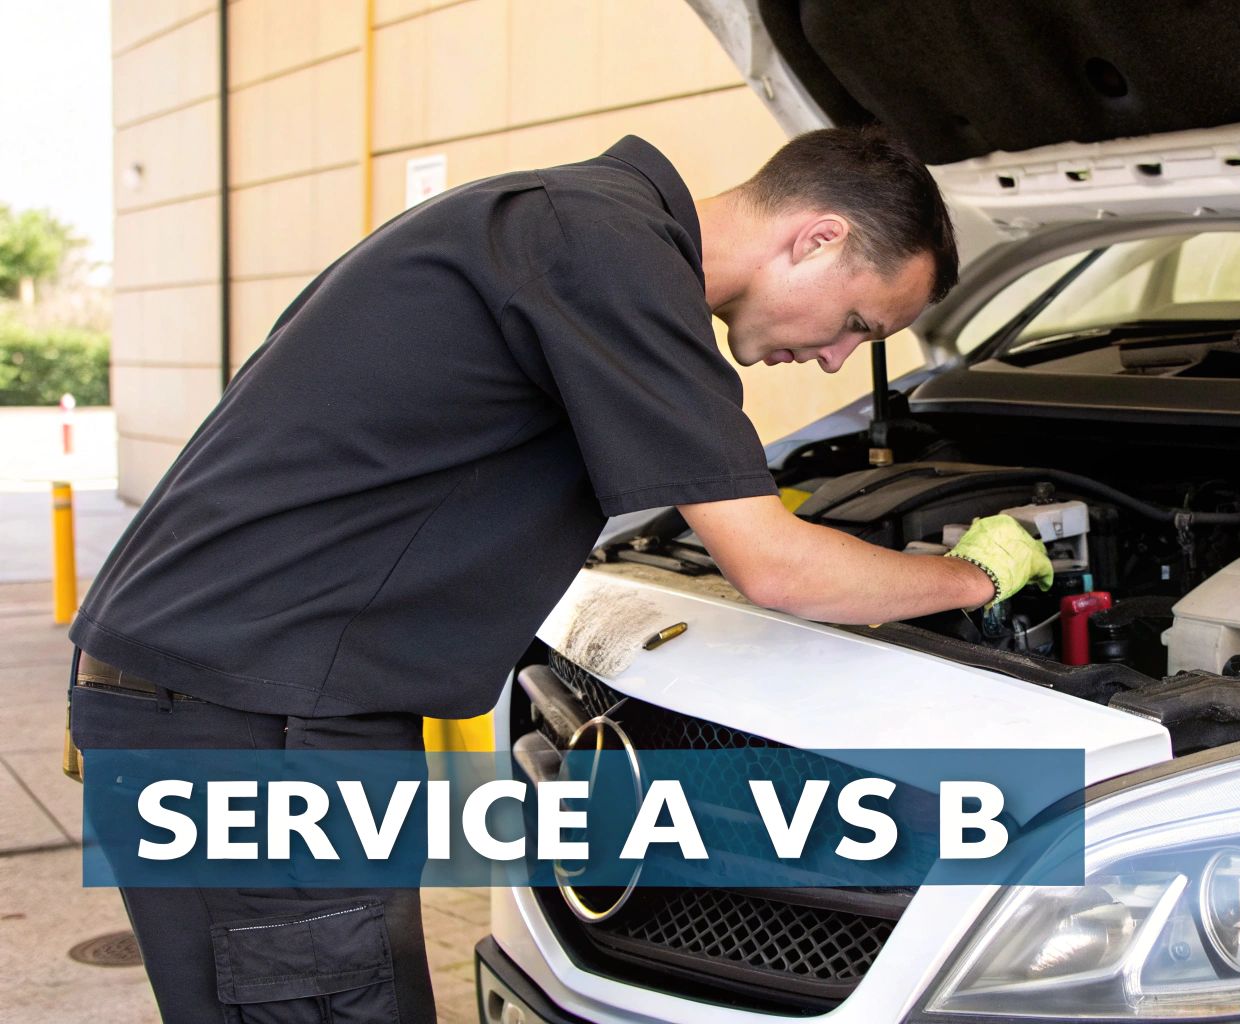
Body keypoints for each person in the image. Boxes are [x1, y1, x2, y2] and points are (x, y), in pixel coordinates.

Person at [65, 126, 1051, 1020]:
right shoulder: (602, 256)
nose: (839, 361)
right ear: (817, 239)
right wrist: (970, 576)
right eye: (859, 325)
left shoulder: (574, 227)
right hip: (246, 718)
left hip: (241, 699)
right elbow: (776, 565)